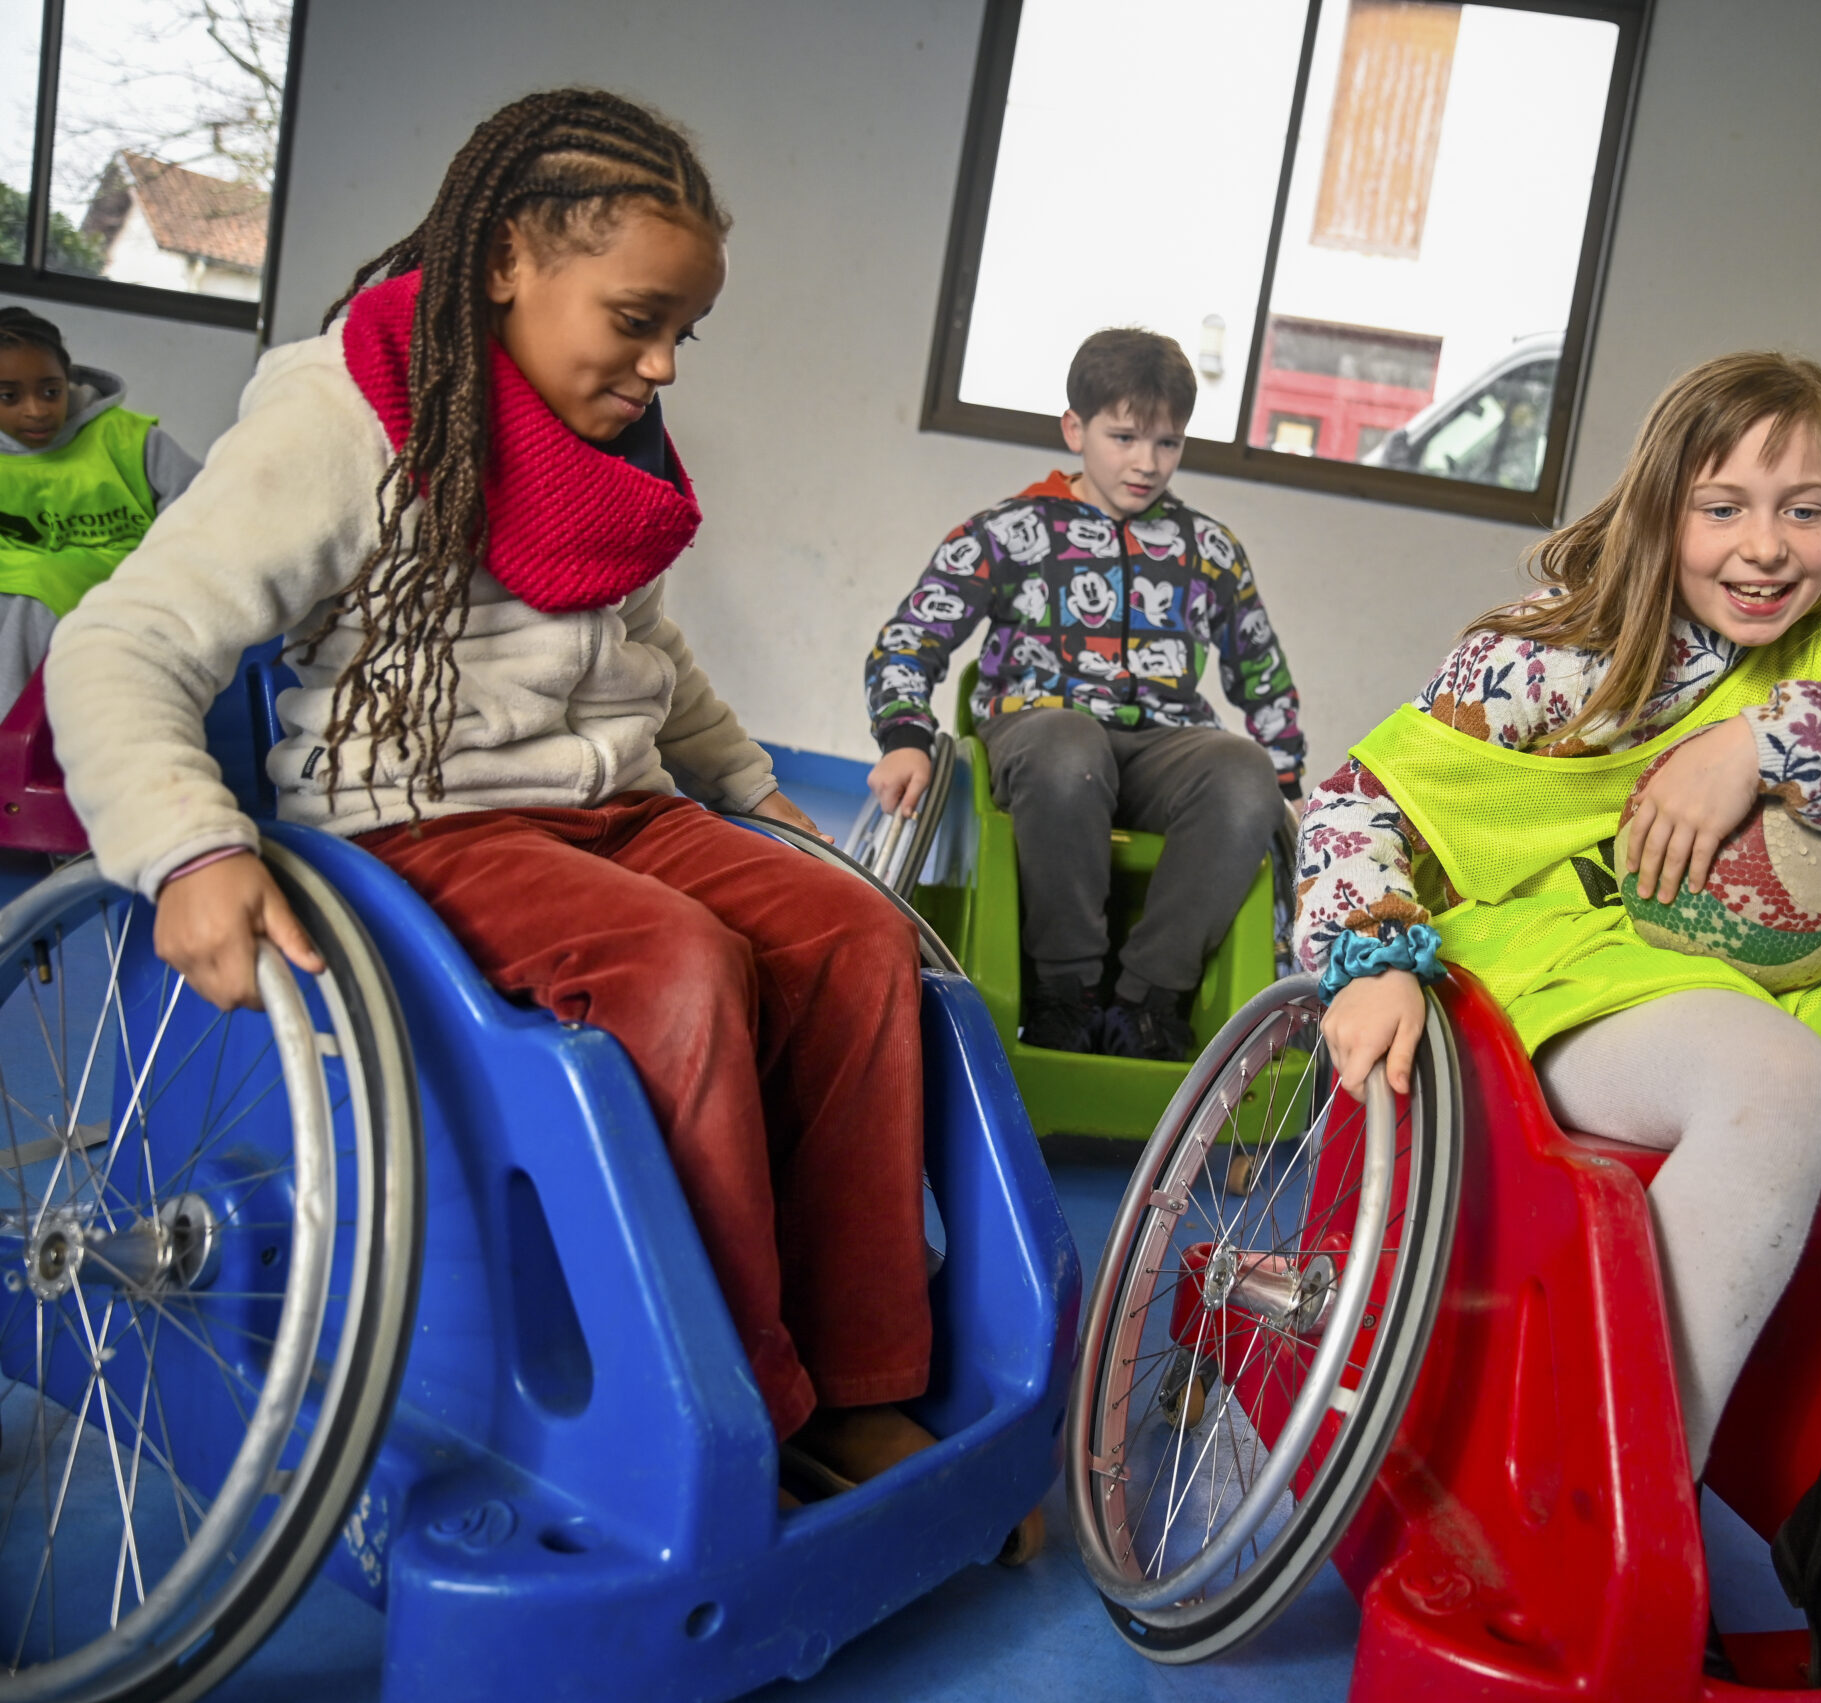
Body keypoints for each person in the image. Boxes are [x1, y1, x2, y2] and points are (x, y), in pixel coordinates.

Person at [47, 89, 944, 1503]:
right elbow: (120, 640)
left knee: (857, 934)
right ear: (511, 257)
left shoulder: (601, 439)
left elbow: (643, 648)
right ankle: (742, 1405)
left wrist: (754, 793)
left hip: (620, 804)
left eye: (680, 336)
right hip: (418, 823)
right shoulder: (349, 415)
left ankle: (869, 1378)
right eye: (636, 318)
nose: (660, 365)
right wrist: (187, 850)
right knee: (680, 968)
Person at [1299, 353, 1821, 1686]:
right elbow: (1353, 800)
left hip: (1764, 958)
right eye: (1725, 505)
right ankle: (1626, 1518)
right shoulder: (1543, 659)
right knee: (1775, 1083)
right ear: (1662, 506)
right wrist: (1369, 956)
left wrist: (1767, 743)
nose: (1767, 545)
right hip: (1569, 949)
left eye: (1807, 508)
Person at [863, 328, 1303, 1061]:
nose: (1146, 462)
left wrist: (1286, 774)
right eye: (1124, 436)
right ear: (1076, 429)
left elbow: (1260, 667)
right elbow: (911, 636)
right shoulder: (1012, 531)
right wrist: (904, 735)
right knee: (1070, 748)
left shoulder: (1209, 549)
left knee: (1243, 772)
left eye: (1167, 443)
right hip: (1041, 733)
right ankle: (1063, 994)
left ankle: (1147, 1004)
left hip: (1163, 745)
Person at [0, 305, 201, 712]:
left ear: (68, 381)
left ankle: (12, 741)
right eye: (9, 396)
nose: (36, 409)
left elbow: (202, 507)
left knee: (33, 593)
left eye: (50, 391)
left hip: (117, 581)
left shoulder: (128, 438)